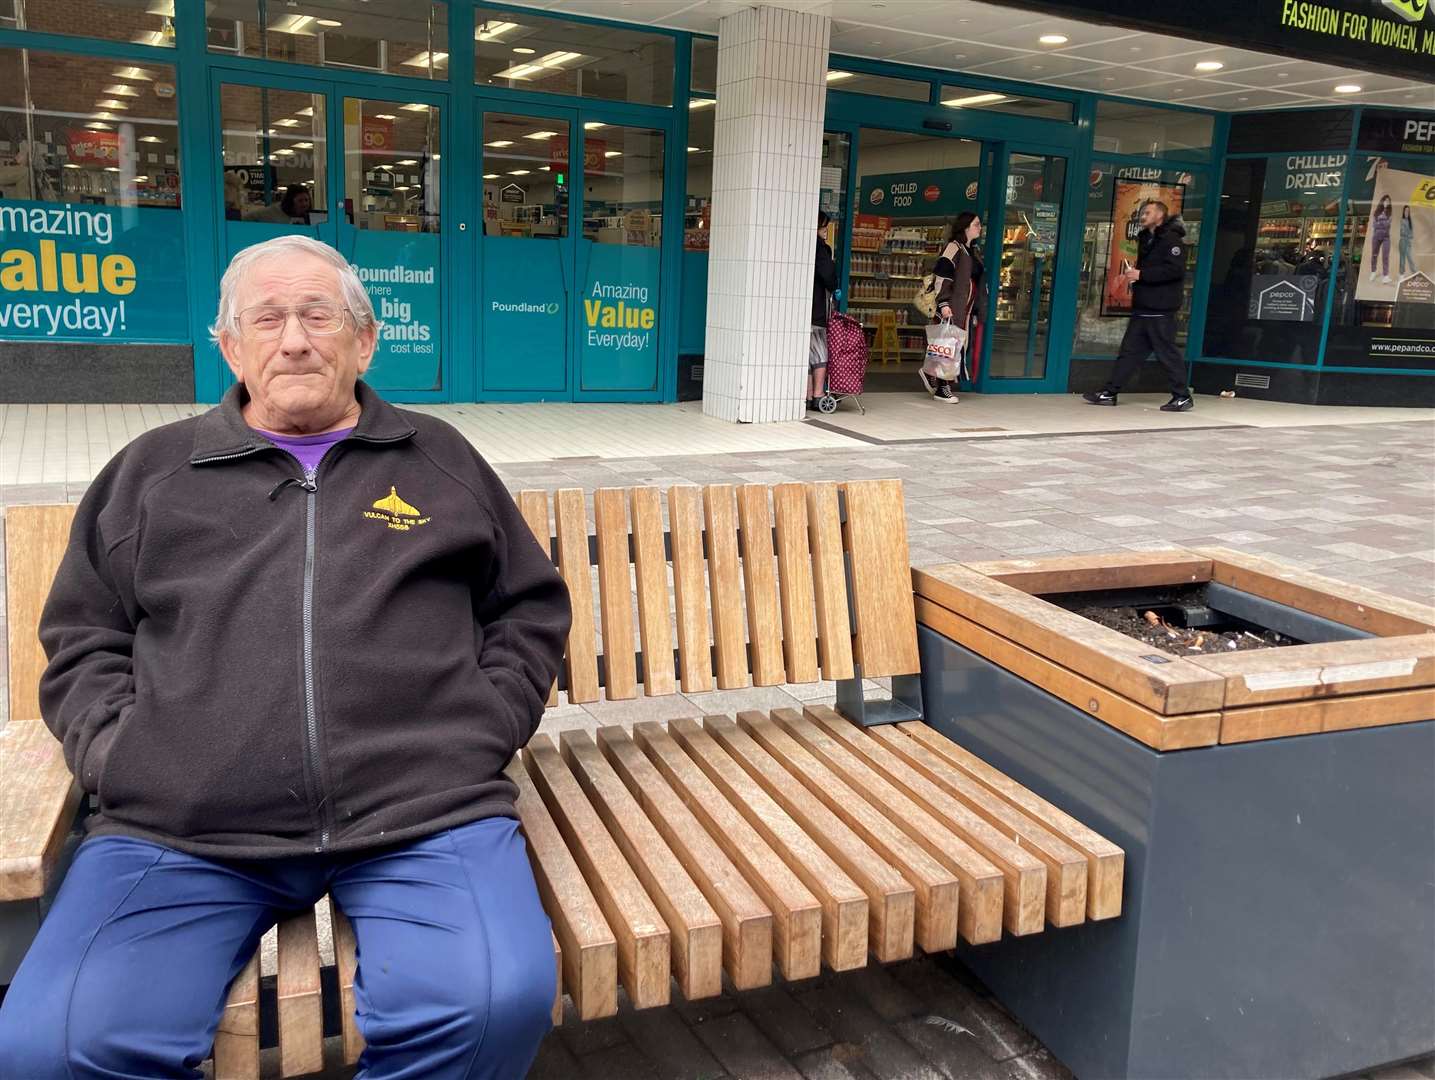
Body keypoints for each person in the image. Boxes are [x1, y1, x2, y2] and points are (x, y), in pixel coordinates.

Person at [0, 235, 572, 1079]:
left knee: (493, 1002)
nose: (294, 339)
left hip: (421, 813)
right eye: (266, 319)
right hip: (184, 827)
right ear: (229, 345)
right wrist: (124, 756)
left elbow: (525, 606)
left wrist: (481, 727)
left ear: (365, 340)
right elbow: (83, 638)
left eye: (318, 315)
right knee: (54, 1045)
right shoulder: (154, 472)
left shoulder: (438, 459)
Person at [1083, 200, 1194, 412]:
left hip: (1160, 309)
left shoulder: (1172, 240)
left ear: (1160, 216)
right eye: (1142, 212)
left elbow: (1175, 271)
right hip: (1144, 307)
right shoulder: (1147, 239)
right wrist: (1138, 278)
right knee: (1129, 352)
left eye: (1148, 212)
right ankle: (1109, 392)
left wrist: (1142, 275)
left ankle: (1182, 396)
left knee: (1166, 353)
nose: (1142, 215)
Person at [925, 211, 985, 404]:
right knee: (949, 347)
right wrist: (943, 304)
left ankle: (934, 377)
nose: (980, 227)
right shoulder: (954, 247)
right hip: (953, 306)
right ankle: (943, 388)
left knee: (954, 345)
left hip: (965, 308)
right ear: (965, 226)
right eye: (976, 224)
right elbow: (942, 275)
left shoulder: (971, 250)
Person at [809, 210, 837, 411]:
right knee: (819, 352)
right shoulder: (819, 248)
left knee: (803, 353)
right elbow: (828, 276)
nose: (826, 230)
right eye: (823, 226)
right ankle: (818, 394)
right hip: (816, 307)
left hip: (799, 308)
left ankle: (806, 394)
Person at [1369, 194, 1393, 284]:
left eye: (1388, 201)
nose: (1386, 202)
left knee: (1385, 256)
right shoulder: (1376, 212)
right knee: (1374, 254)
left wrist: (1380, 223)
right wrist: (1382, 223)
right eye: (1385, 200)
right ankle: (1373, 272)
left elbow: (1388, 224)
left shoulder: (1390, 213)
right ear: (1382, 201)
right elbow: (1374, 224)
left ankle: (1385, 276)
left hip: (1386, 237)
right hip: (1376, 236)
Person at [1399, 205, 1415, 280]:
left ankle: (1414, 274)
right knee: (1402, 258)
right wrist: (1408, 234)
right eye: (1405, 210)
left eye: (1408, 211)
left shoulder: (1410, 221)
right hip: (1402, 241)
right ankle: (1402, 275)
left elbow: (1411, 234)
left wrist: (1408, 234)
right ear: (1403, 211)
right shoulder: (1402, 220)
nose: (1406, 212)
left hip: (1408, 242)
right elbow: (1402, 232)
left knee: (1409, 257)